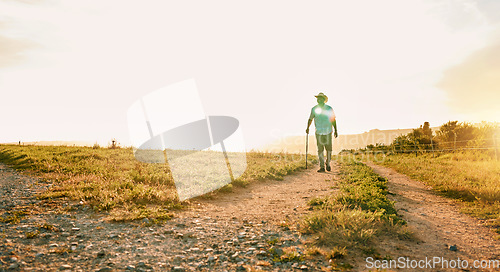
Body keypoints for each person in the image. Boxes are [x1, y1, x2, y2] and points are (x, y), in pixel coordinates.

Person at [306, 92, 338, 172]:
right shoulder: (314, 109)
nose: (319, 99)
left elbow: (333, 119)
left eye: (320, 98)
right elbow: (310, 119)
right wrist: (307, 128)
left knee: (329, 149)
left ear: (324, 100)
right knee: (320, 150)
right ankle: (322, 167)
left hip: (328, 131)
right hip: (319, 132)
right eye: (318, 98)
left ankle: (327, 163)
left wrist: (336, 130)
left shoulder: (329, 108)